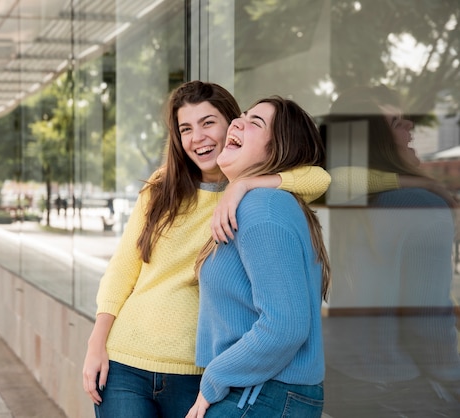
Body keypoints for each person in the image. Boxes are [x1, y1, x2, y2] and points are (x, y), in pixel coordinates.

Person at [82, 81, 331, 418]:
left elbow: (319, 178)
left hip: (196, 370)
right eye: (186, 128)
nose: (196, 137)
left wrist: (243, 185)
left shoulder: (252, 198)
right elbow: (124, 266)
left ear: (231, 125)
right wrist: (96, 342)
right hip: (127, 358)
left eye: (208, 123)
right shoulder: (162, 187)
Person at [185, 96, 330, 418]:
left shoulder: (261, 207)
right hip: (263, 389)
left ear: (279, 149)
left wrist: (214, 378)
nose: (237, 122)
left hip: (261, 392)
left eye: (255, 123)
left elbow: (286, 326)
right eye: (243, 116)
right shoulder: (266, 201)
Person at [322, 85, 460, 416]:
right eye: (397, 121)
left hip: (333, 380)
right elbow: (427, 321)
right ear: (374, 138)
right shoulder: (419, 206)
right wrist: (454, 383)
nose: (410, 126)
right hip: (395, 389)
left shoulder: (330, 202)